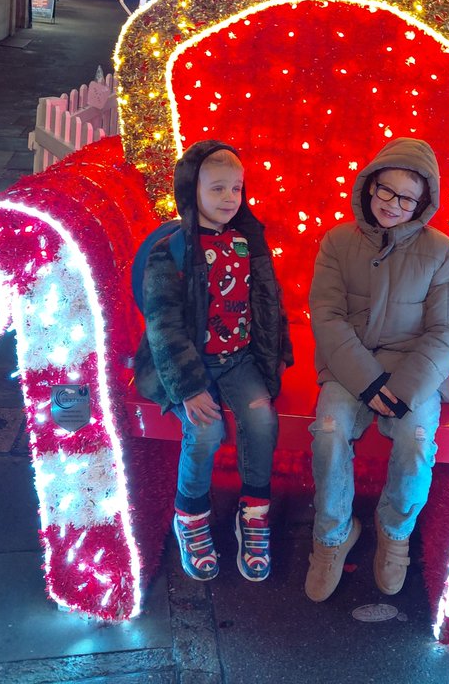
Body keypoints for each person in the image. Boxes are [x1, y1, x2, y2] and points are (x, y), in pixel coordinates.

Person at [304, 137, 449, 602]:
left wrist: (404, 389)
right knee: (329, 432)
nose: (393, 204)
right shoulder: (337, 242)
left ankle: (395, 533)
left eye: (406, 198)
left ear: (423, 204)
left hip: (413, 373)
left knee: (416, 443)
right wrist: (368, 381)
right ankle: (332, 535)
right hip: (349, 367)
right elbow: (327, 316)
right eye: (385, 191)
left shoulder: (443, 254)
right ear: (369, 186)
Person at [134, 140, 292, 583]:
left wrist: (275, 356)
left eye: (236, 188)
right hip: (189, 363)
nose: (229, 198)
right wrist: (187, 387)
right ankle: (190, 515)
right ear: (192, 192)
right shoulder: (172, 250)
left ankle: (254, 512)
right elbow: (164, 324)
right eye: (217, 188)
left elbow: (268, 304)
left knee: (261, 420)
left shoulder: (248, 243)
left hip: (238, 360)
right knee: (205, 430)